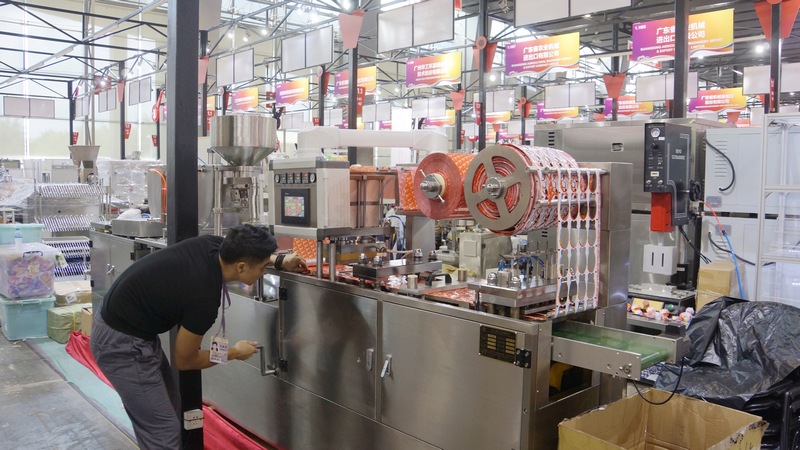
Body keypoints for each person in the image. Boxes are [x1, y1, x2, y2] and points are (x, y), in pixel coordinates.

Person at [90, 224, 307, 450]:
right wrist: (233, 352)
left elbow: (247, 254)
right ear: (241, 267)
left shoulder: (213, 245)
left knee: (170, 407)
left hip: (129, 327)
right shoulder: (203, 298)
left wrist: (279, 260)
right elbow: (185, 361)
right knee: (163, 432)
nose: (264, 272)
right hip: (121, 344)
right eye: (262, 268)